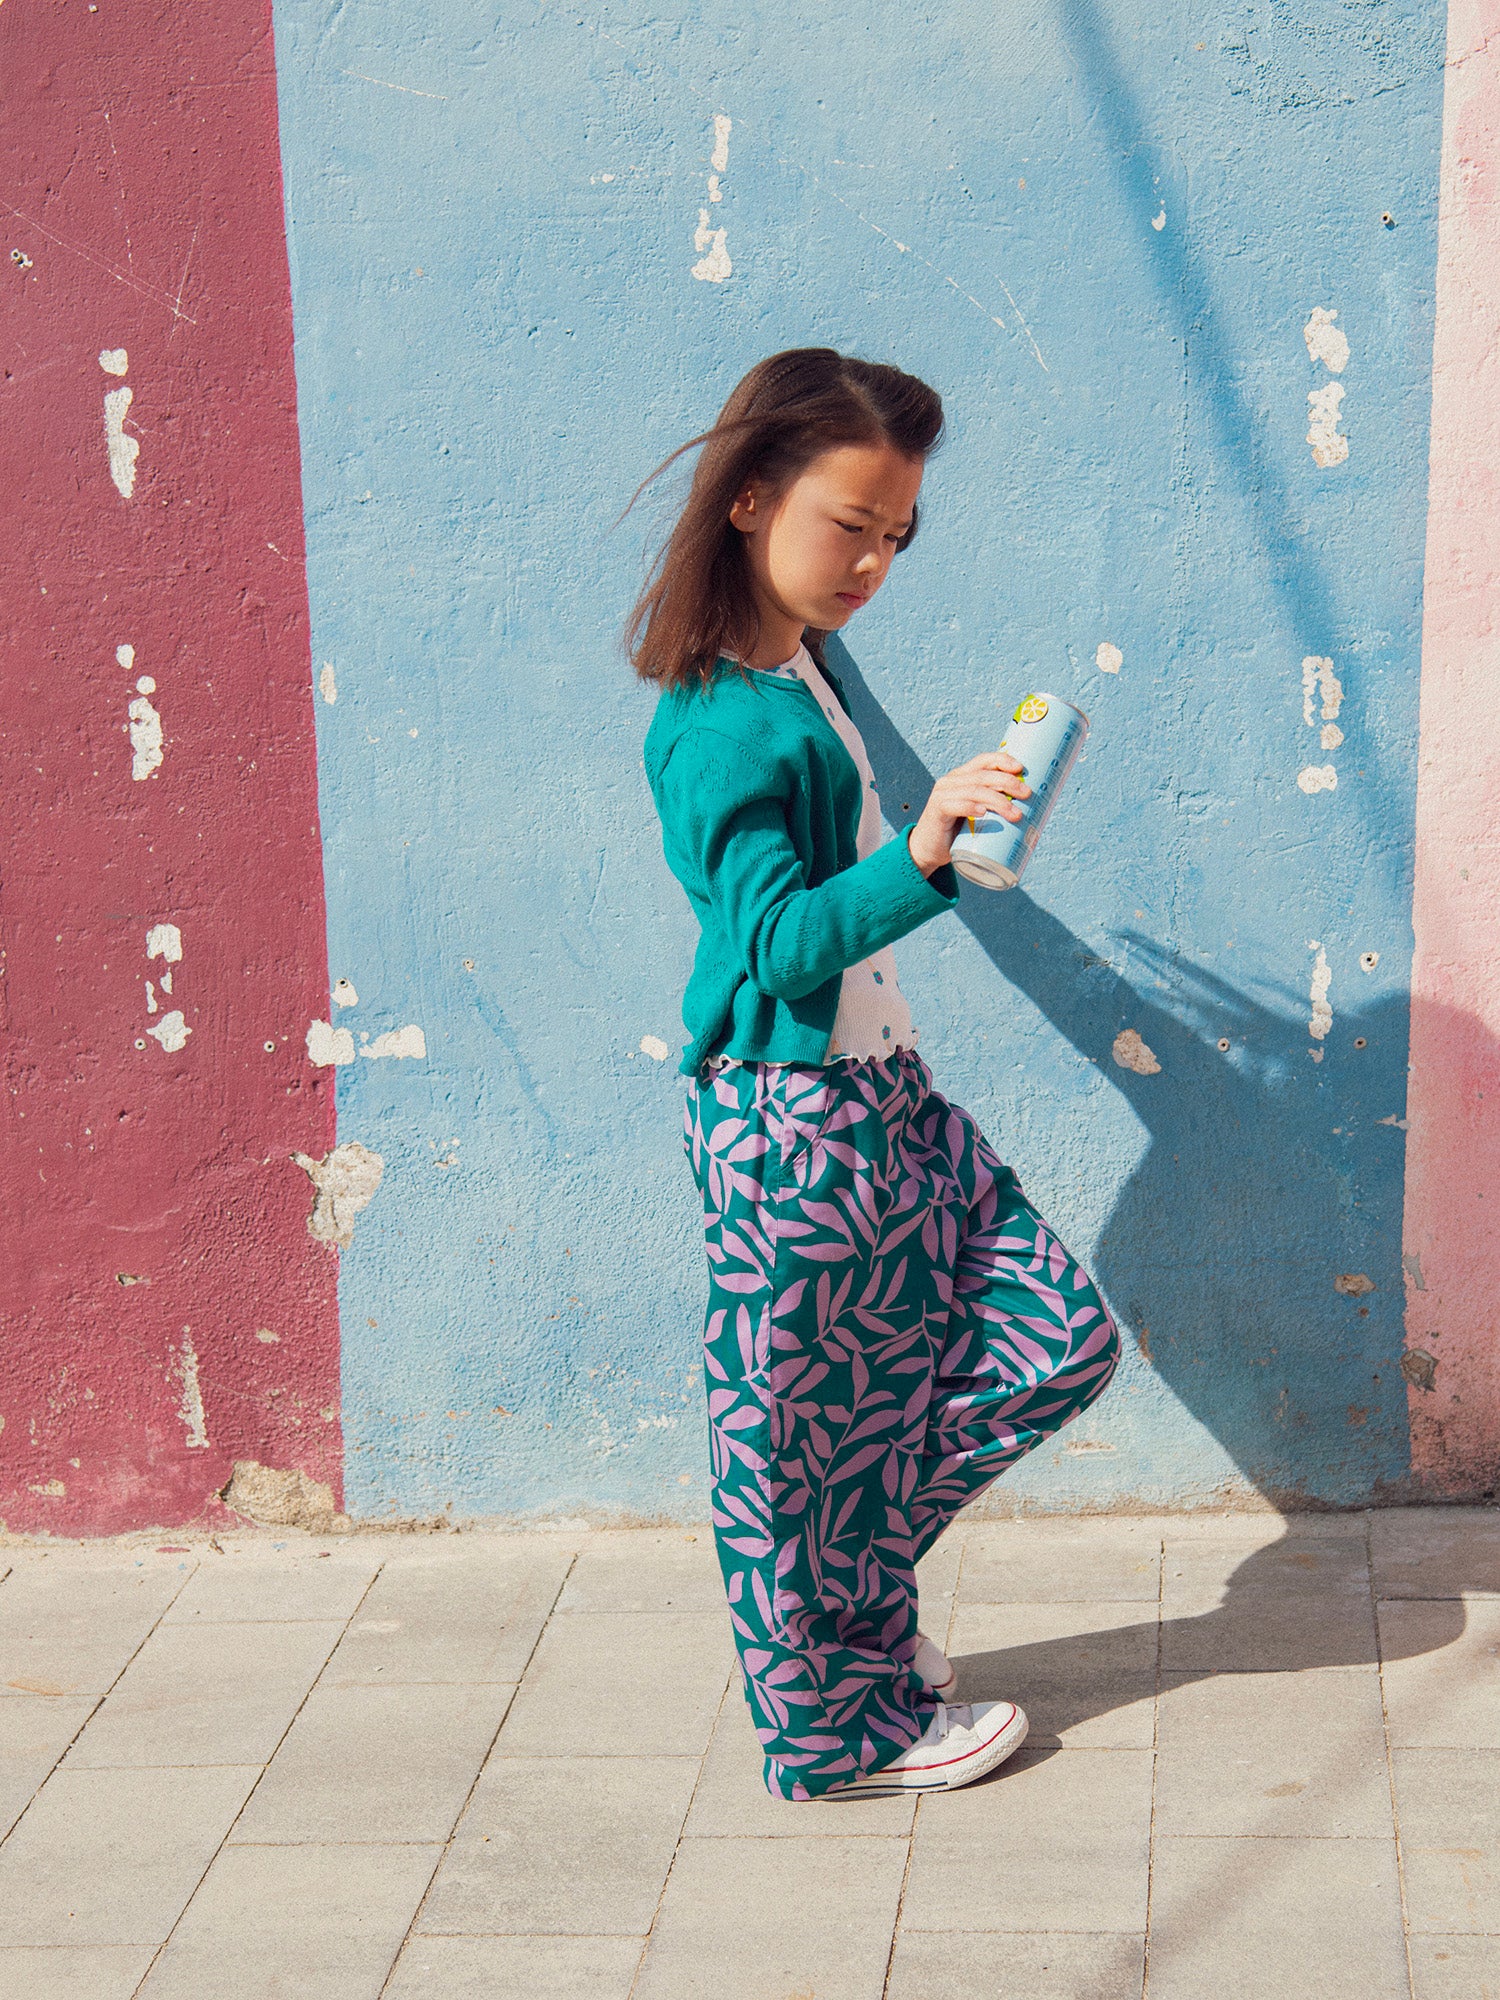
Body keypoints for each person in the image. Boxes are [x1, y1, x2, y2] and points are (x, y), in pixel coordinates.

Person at [631, 348, 1120, 1799]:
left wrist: (949, 831)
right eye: (850, 524)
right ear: (749, 499)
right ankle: (840, 1728)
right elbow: (777, 945)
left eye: (897, 535)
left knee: (1052, 1342)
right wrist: (923, 853)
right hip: (790, 1122)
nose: (873, 565)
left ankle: (845, 1611)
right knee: (800, 1445)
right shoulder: (717, 726)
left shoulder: (806, 661)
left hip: (881, 1094)